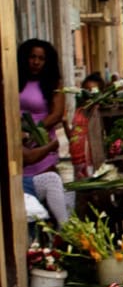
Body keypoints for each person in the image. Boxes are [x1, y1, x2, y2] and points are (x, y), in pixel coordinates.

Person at [18, 39, 72, 226]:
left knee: (49, 195)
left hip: (41, 144)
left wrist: (35, 130)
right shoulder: (16, 80)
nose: (36, 62)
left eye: (41, 58)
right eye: (32, 57)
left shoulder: (53, 84)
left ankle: (59, 235)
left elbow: (57, 113)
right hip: (18, 145)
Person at [69, 72, 105, 180]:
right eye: (86, 90)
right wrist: (64, 123)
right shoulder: (79, 112)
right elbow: (72, 137)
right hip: (78, 164)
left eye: (93, 91)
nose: (89, 95)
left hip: (96, 161)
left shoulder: (100, 112)